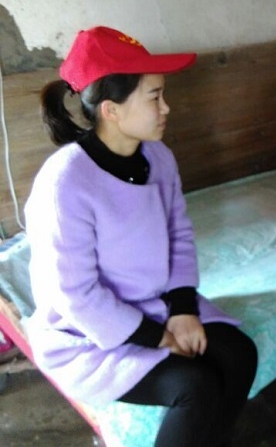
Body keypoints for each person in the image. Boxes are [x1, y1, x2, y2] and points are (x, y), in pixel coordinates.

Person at [24, 26, 258, 447]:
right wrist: (156, 337)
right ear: (111, 110)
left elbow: (179, 234)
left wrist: (182, 309)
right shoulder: (66, 183)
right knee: (194, 385)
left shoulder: (158, 157)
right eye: (155, 97)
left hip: (154, 305)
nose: (166, 108)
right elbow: (75, 295)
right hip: (87, 333)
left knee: (239, 353)